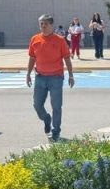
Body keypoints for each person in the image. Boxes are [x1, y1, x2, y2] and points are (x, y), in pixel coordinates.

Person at [26, 14, 75, 142]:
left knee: (56, 106)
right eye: (41, 24)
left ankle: (56, 131)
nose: (43, 26)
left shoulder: (60, 40)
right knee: (37, 105)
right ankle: (46, 118)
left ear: (51, 25)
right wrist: (28, 74)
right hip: (40, 78)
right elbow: (32, 58)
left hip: (56, 78)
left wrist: (71, 75)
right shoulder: (35, 39)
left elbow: (67, 58)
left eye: (45, 24)